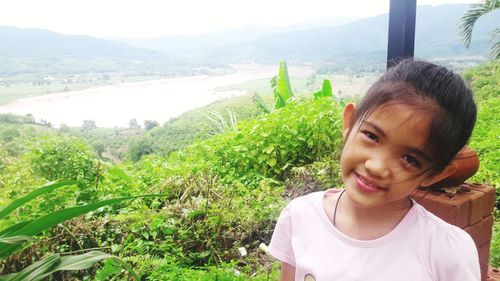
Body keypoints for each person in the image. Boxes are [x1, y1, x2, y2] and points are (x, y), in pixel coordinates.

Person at [268, 59, 480, 281]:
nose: (376, 167)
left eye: (410, 159)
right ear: (350, 122)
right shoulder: (300, 217)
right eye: (371, 136)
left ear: (435, 174)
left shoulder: (445, 253)